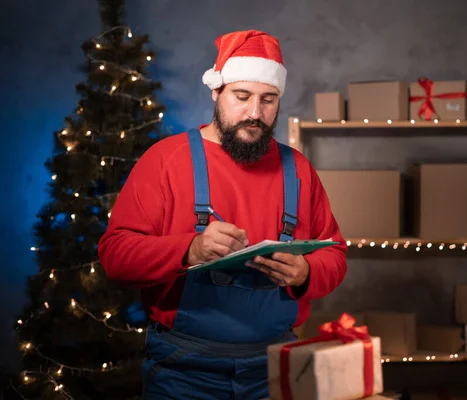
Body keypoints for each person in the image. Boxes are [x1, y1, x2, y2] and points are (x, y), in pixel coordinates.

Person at [98, 29, 348, 400]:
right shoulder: (166, 160)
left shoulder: (297, 168)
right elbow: (115, 256)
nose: (254, 113)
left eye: (268, 100)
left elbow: (335, 253)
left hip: (274, 368)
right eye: (241, 96)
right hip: (182, 370)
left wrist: (306, 272)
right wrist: (191, 250)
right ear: (216, 92)